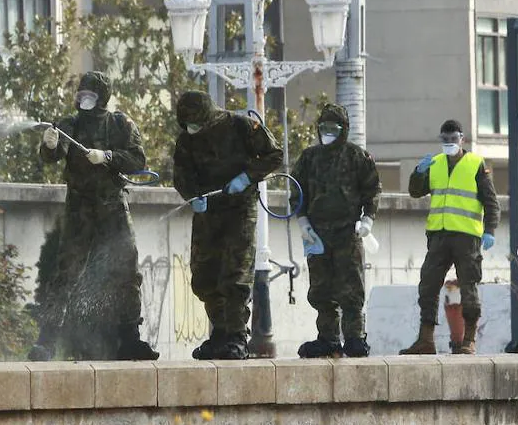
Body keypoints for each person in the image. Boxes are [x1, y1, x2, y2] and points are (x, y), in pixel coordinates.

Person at [29, 72, 158, 361]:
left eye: (90, 94)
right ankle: (47, 340)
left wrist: (108, 156)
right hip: (79, 210)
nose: (84, 98)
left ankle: (130, 339)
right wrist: (49, 145)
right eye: (81, 93)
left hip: (113, 208)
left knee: (127, 272)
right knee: (65, 273)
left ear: (102, 96)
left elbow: (138, 160)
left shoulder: (121, 124)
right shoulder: (69, 125)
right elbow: (52, 155)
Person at [173, 90, 283, 360]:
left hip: (239, 210)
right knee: (204, 275)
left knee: (234, 276)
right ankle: (219, 333)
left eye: (197, 123)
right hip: (208, 212)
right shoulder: (186, 140)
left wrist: (247, 177)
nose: (194, 129)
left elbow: (274, 155)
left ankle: (236, 337)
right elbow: (181, 175)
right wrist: (192, 196)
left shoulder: (241, 126)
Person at [400, 119, 501, 356]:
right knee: (428, 285)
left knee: (469, 287)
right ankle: (425, 340)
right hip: (439, 236)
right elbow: (415, 192)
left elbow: (491, 201)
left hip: (467, 237)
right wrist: (418, 172)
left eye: (453, 139)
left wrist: (490, 230)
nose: (448, 143)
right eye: (444, 140)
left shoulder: (476, 163)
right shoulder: (434, 163)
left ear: (462, 139)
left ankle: (469, 340)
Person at [293, 103, 381, 359]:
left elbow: (372, 188)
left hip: (347, 232)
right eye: (323, 128)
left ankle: (355, 337)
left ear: (343, 130)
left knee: (351, 287)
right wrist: (302, 221)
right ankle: (328, 338)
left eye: (332, 128)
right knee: (321, 288)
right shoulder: (309, 158)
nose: (327, 133)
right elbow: (297, 191)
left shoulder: (357, 157)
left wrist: (368, 219)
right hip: (318, 232)